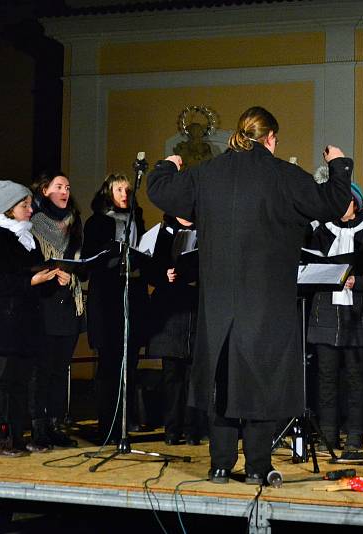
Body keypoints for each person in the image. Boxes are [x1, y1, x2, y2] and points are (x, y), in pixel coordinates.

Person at [147, 106, 352, 484]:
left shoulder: (209, 172)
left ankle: (220, 464)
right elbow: (333, 203)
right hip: (268, 301)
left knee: (221, 380)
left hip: (219, 301)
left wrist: (168, 164)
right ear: (270, 138)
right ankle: (257, 466)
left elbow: (160, 191)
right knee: (263, 379)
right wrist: (339, 165)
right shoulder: (282, 174)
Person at [0, 180, 61, 456]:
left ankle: (17, 435)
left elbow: (34, 278)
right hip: (5, 322)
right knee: (0, 378)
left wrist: (52, 278)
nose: (30, 209)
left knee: (21, 380)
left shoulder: (28, 238)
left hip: (26, 323)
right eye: (24, 205)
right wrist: (32, 280)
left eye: (29, 204)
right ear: (9, 209)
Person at [306, 182, 363, 458]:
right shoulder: (321, 232)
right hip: (325, 313)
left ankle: (354, 437)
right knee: (326, 378)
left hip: (357, 316)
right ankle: (327, 434)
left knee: (356, 379)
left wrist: (357, 281)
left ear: (355, 204)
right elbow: (308, 268)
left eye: (345, 202)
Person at [82, 173, 149, 442]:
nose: (124, 194)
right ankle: (107, 422)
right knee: (109, 363)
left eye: (128, 190)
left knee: (129, 361)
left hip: (132, 296)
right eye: (119, 189)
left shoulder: (137, 221)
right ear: (108, 192)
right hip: (108, 299)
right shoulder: (97, 222)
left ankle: (126, 418)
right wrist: (111, 254)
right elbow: (89, 260)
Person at [28, 171, 83, 449]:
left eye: (68, 186)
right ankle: (38, 426)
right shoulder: (33, 222)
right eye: (59, 186)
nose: (65, 191)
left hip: (69, 301)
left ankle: (55, 424)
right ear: (45, 190)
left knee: (61, 368)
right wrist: (52, 271)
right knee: (43, 368)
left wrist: (72, 272)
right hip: (44, 301)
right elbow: (29, 261)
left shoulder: (74, 222)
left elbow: (81, 261)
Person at [146, 214, 206, 446]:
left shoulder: (204, 228)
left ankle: (193, 429)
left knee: (194, 374)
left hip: (195, 308)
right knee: (172, 374)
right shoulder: (163, 233)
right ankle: (172, 429)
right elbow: (149, 268)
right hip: (170, 310)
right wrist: (164, 274)